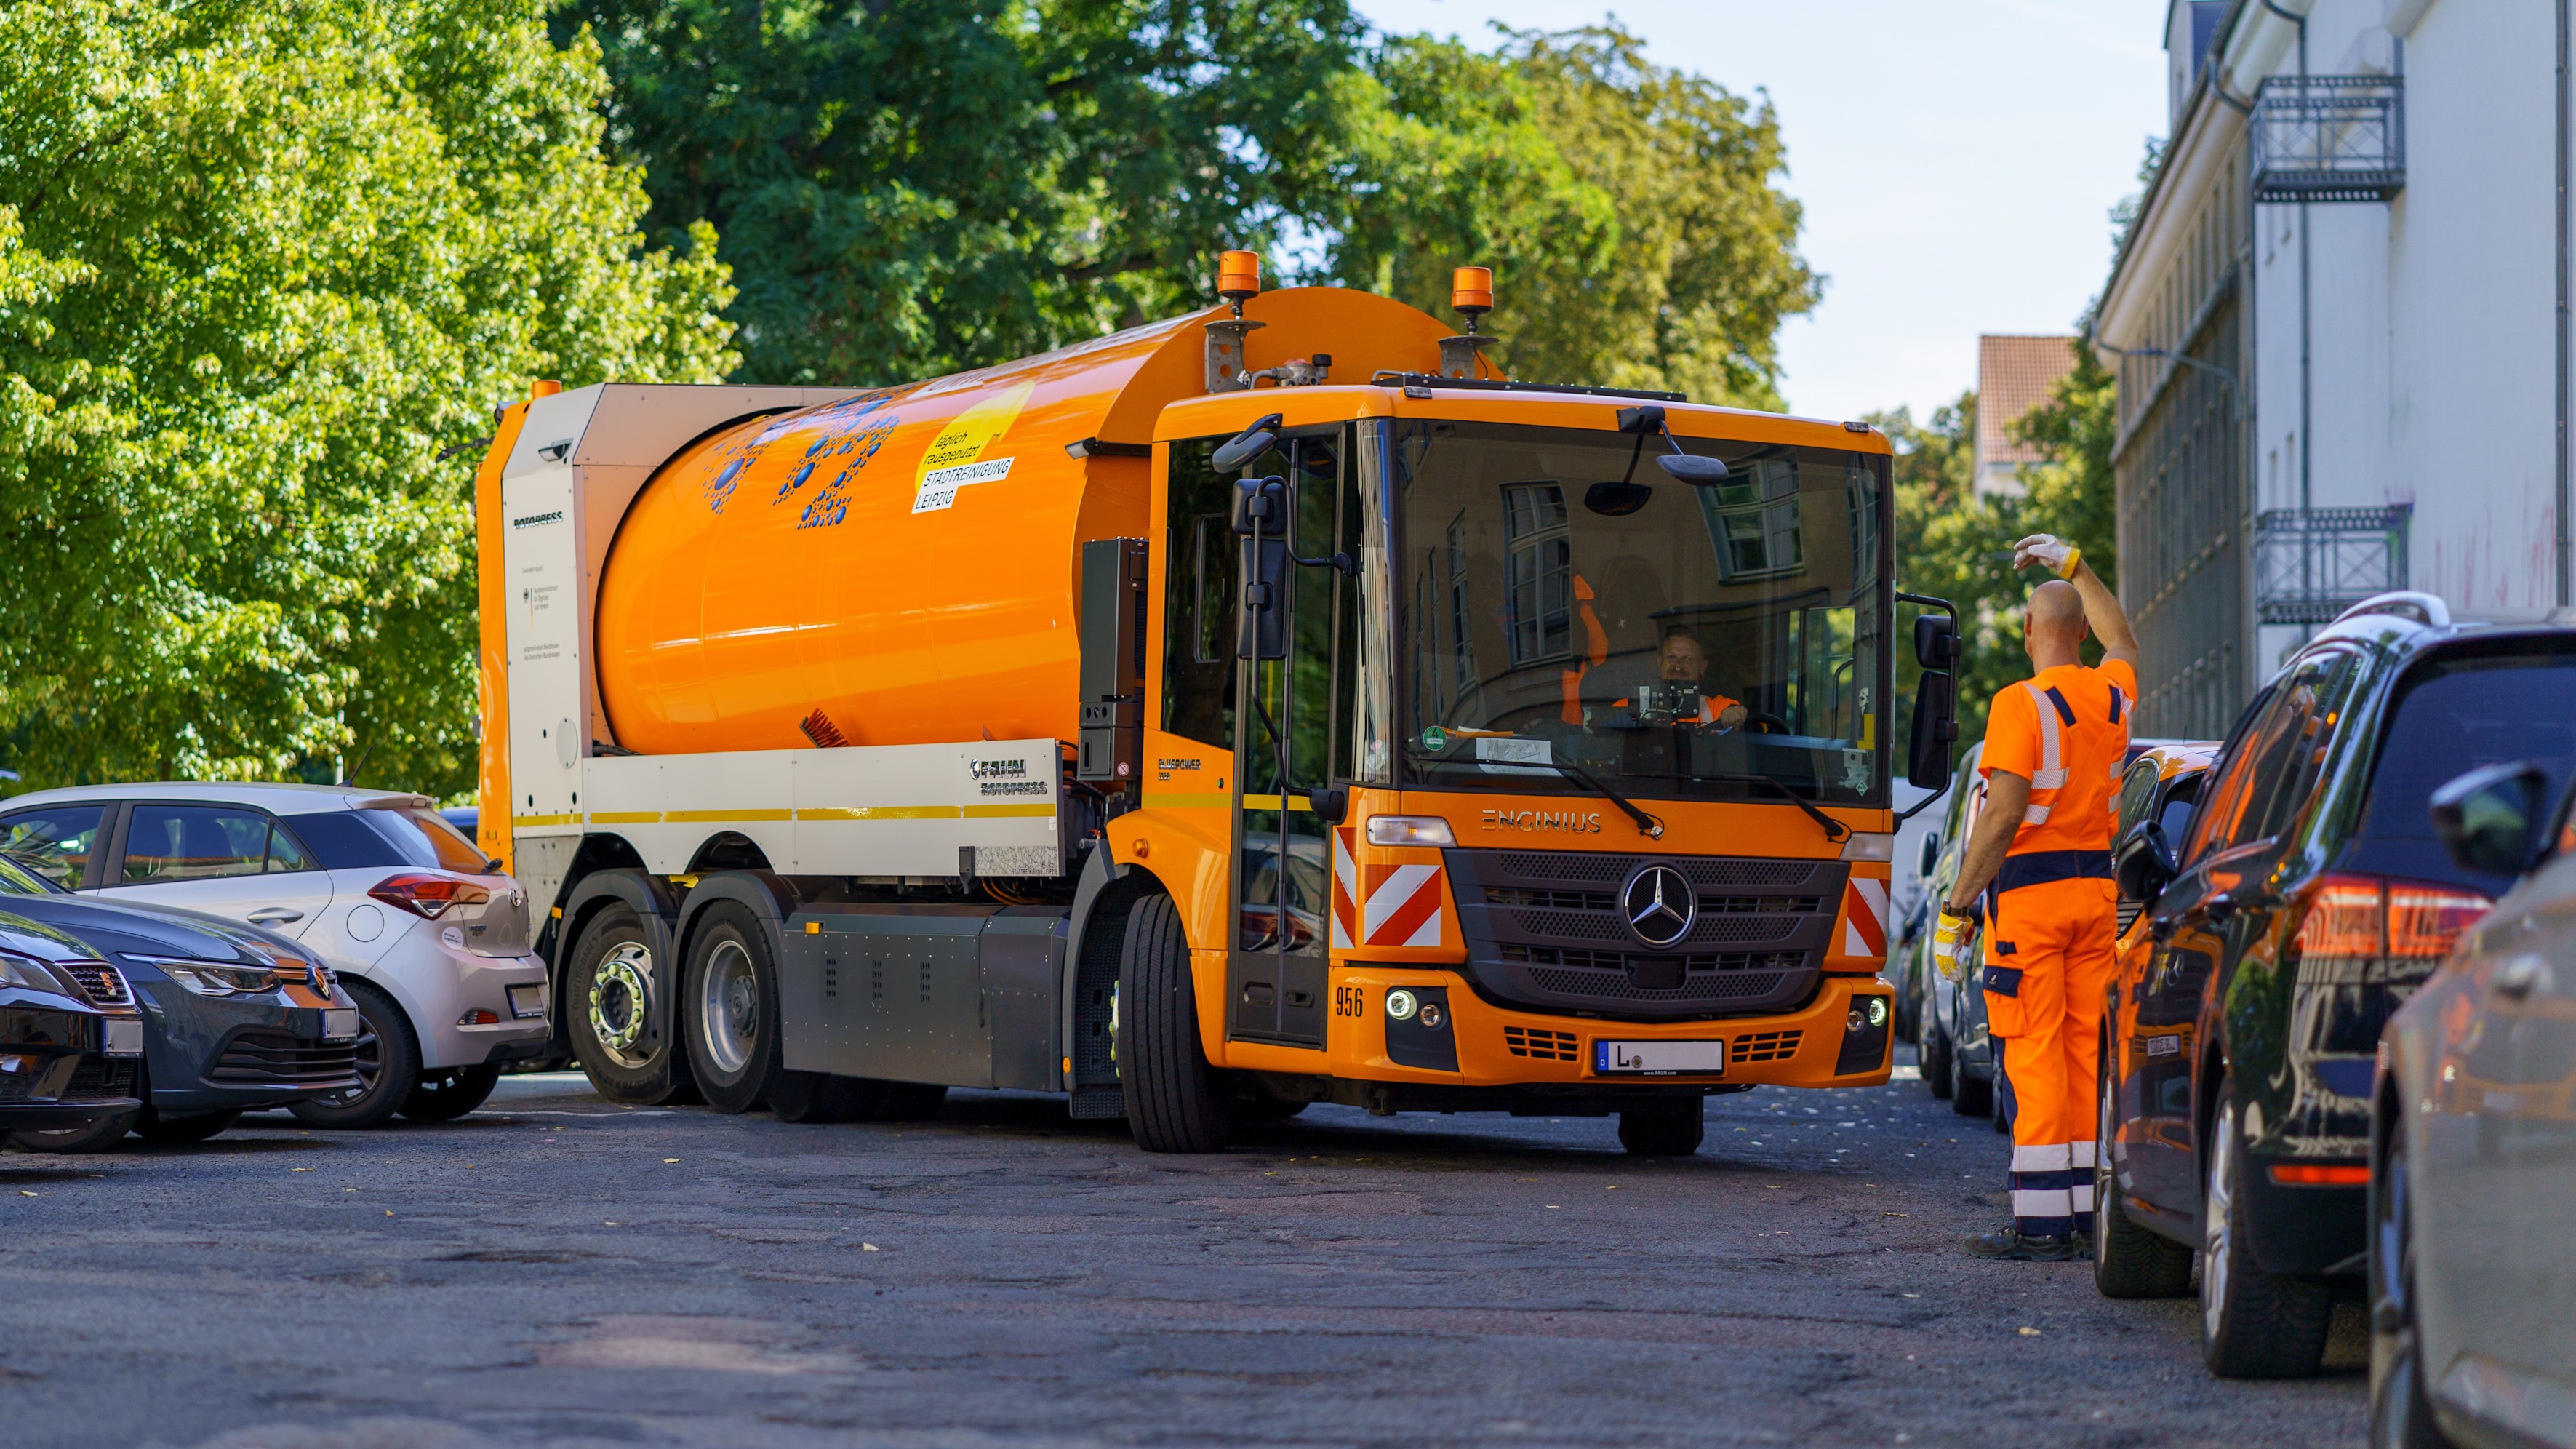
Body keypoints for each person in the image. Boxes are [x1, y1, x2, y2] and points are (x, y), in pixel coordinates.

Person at [1932, 532, 2138, 1262]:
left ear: (2027, 634)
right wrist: (2075, 563)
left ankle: (2041, 1226)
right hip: (2095, 896)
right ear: (2078, 632)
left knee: (2033, 1054)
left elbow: (2001, 817)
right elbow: (2123, 634)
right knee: (2085, 1051)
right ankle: (2088, 1218)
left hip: (2033, 903)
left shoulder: (2018, 705)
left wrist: (1956, 908)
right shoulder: (2112, 694)